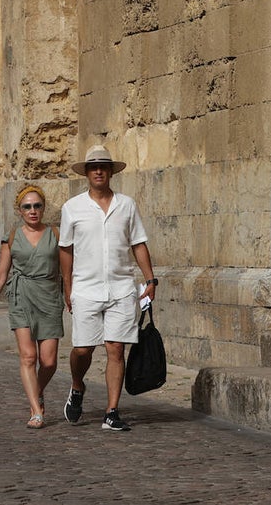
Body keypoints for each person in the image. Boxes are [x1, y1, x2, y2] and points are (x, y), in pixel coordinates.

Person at [59, 144, 157, 432]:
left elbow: (138, 242)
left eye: (103, 166)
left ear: (111, 171)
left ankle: (112, 411)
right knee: (82, 349)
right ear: (87, 173)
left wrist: (150, 279)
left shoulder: (126, 205)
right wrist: (68, 286)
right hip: (86, 288)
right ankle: (78, 386)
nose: (99, 171)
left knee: (116, 349)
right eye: (93, 167)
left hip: (121, 286)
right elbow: (66, 249)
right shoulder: (72, 208)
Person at [0, 185, 64, 429]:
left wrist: (71, 296)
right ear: (19, 210)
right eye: (27, 207)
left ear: (43, 208)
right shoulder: (12, 236)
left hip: (48, 296)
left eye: (37, 205)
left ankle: (36, 389)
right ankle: (36, 411)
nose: (33, 210)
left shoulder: (56, 234)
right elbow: (1, 274)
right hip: (21, 295)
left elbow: (68, 270)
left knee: (49, 362)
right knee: (29, 356)